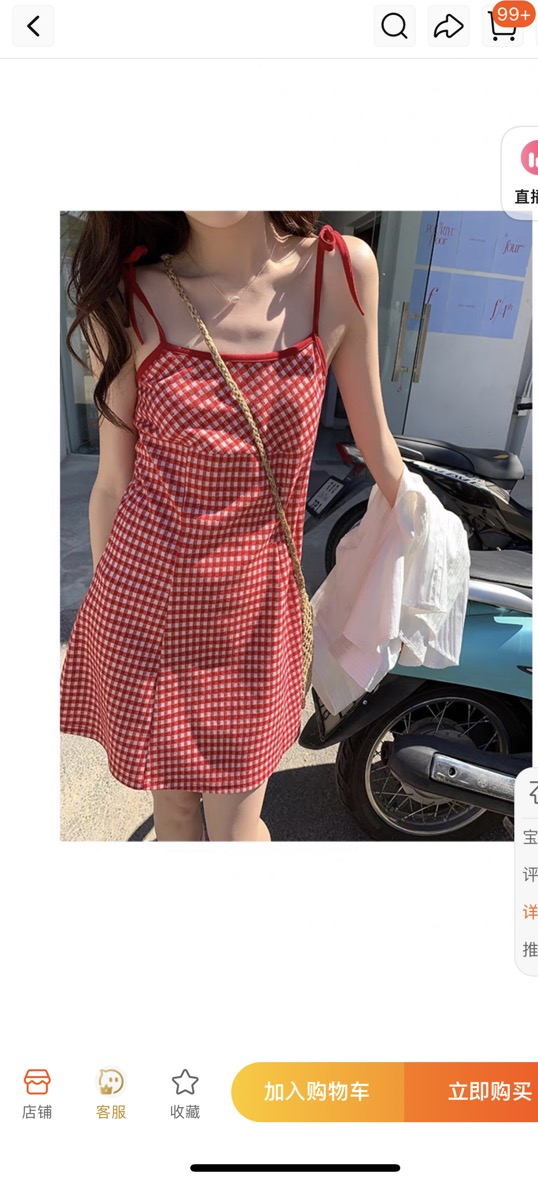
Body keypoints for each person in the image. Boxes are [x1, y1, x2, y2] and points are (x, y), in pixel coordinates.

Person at [60, 211, 405, 842]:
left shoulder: (339, 271)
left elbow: (377, 442)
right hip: (148, 607)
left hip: (257, 615)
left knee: (237, 824)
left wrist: (431, 535)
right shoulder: (130, 294)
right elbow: (112, 482)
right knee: (176, 813)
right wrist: (109, 619)